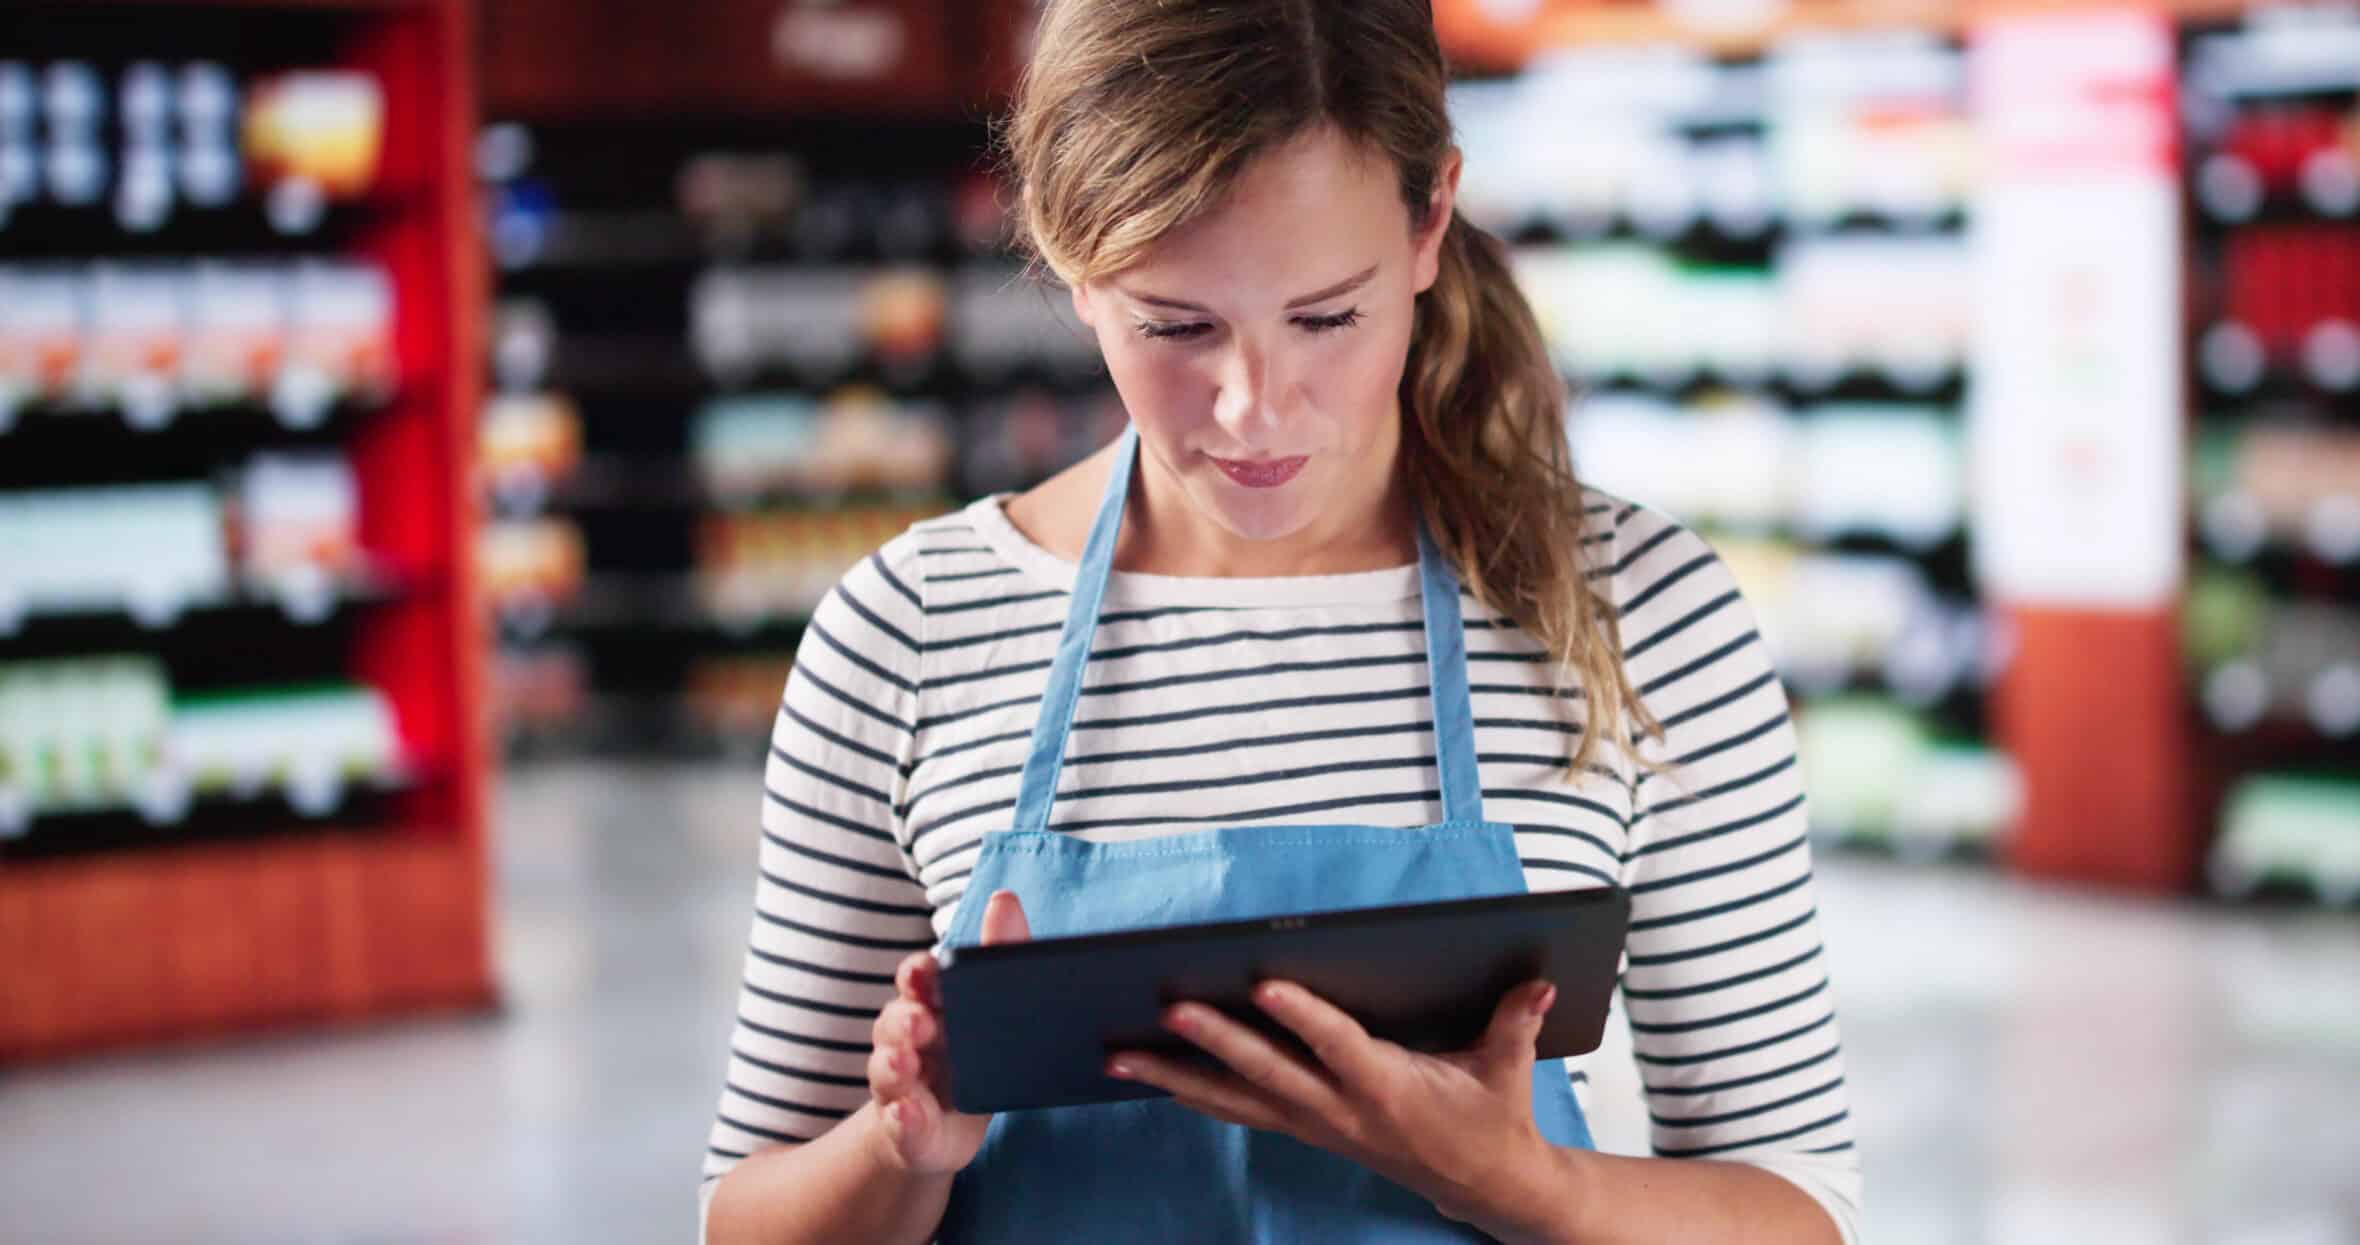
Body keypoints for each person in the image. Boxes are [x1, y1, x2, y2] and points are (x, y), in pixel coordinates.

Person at [699, 1, 1861, 1241]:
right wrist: (897, 1152)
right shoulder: (911, 631)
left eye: (1326, 317)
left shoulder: (1639, 614)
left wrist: (1523, 1184)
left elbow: (1800, 1206)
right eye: (1175, 326)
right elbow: (744, 1215)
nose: (1252, 410)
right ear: (1064, 253)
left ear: (1427, 222)